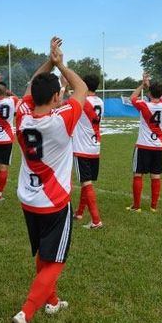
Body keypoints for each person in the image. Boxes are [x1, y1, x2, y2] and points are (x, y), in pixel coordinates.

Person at [11, 37, 87, 323]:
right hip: (54, 201)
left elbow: (31, 86)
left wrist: (48, 63)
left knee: (44, 252)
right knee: (56, 261)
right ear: (56, 96)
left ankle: (52, 301)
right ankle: (26, 313)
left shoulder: (21, 116)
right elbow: (81, 89)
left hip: (28, 198)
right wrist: (60, 63)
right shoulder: (62, 120)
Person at [126, 72, 162, 213]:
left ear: (149, 94)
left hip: (143, 145)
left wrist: (142, 84)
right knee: (156, 175)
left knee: (138, 174)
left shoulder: (144, 105)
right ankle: (153, 206)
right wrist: (150, 87)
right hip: (158, 146)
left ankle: (137, 206)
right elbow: (158, 97)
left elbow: (132, 97)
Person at [71, 74, 104, 229]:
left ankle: (96, 220)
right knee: (87, 182)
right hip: (95, 146)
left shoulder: (82, 101)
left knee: (86, 182)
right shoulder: (100, 102)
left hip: (82, 147)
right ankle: (79, 212)